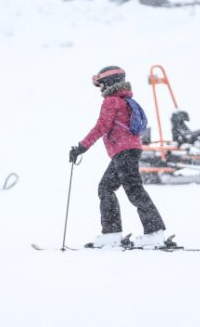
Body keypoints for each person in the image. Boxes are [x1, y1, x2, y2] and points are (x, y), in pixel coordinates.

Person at [69, 66, 167, 249]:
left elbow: (101, 127)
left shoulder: (111, 101)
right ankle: (112, 234)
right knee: (106, 187)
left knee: (134, 190)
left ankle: (154, 232)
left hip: (124, 151)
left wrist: (81, 147)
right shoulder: (124, 100)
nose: (100, 89)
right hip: (127, 150)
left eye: (102, 84)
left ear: (110, 83)